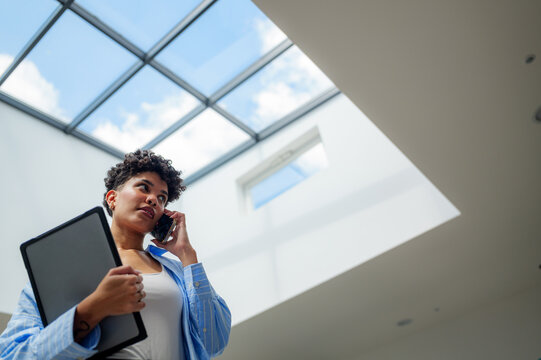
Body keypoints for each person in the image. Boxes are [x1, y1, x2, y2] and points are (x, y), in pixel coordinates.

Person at [0, 150, 231, 359]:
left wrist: (187, 256)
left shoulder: (179, 273)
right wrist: (93, 308)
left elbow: (213, 343)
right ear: (112, 198)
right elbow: (12, 355)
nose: (153, 199)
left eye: (162, 198)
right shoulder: (60, 271)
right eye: (144, 187)